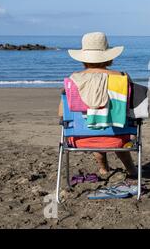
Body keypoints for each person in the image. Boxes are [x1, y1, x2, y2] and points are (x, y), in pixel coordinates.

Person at [58, 32, 137, 178]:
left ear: (83, 58)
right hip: (118, 137)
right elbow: (134, 108)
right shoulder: (121, 78)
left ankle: (103, 169)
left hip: (81, 139)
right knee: (110, 124)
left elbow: (62, 114)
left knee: (91, 123)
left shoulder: (73, 81)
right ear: (109, 57)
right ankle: (131, 169)